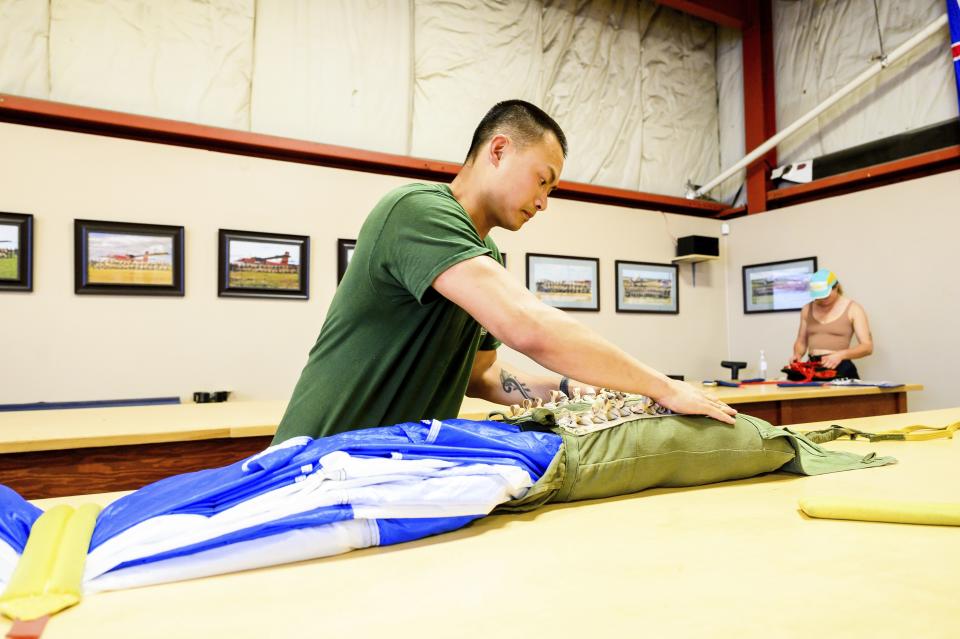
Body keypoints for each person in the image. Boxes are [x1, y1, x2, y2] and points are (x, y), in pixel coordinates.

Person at [272, 100, 735, 445]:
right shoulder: (417, 210)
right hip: (318, 457)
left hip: (387, 467)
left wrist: (588, 390)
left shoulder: (483, 251)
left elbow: (484, 377)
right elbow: (527, 326)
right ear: (498, 150)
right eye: (542, 180)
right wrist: (663, 386)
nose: (543, 202)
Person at [792, 269, 873, 379]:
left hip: (840, 367)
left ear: (836, 287)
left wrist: (840, 355)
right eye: (819, 297)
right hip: (812, 368)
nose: (823, 300)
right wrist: (797, 355)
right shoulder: (807, 309)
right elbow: (801, 341)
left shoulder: (854, 309)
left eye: (826, 296)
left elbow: (867, 347)